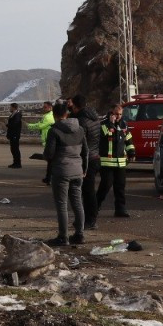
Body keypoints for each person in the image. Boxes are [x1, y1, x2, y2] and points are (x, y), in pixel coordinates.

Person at [43, 101, 87, 246]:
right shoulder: (80, 129)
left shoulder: (54, 130)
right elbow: (85, 152)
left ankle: (63, 237)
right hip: (78, 171)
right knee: (77, 202)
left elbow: (49, 153)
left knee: (62, 205)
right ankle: (79, 234)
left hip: (61, 171)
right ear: (67, 113)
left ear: (55, 115)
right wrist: (84, 170)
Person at [68, 95, 103, 229]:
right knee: (87, 191)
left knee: (86, 192)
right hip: (94, 156)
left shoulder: (80, 121)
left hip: (86, 159)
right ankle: (86, 219)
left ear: (75, 106)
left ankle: (90, 220)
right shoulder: (94, 117)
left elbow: (78, 142)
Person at [98, 103, 135, 217]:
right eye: (116, 114)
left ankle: (120, 210)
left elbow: (128, 140)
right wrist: (111, 123)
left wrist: (131, 152)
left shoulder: (124, 125)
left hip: (121, 163)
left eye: (120, 114)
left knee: (120, 188)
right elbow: (104, 134)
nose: (118, 116)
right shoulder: (104, 124)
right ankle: (94, 208)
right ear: (111, 113)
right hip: (107, 163)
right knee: (105, 187)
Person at [27, 101, 55, 180]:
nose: (44, 108)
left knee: (50, 161)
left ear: (50, 107)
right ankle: (49, 177)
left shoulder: (48, 117)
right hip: (47, 139)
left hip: (48, 140)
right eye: (43, 107)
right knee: (50, 160)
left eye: (45, 107)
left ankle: (49, 178)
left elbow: (40, 125)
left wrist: (29, 126)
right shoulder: (47, 115)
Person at [5, 103, 23, 168]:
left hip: (15, 135)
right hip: (12, 134)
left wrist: (8, 125)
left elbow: (15, 124)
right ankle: (15, 162)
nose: (10, 108)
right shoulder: (13, 114)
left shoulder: (17, 115)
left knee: (15, 149)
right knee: (13, 149)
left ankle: (18, 163)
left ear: (13, 107)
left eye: (10, 107)